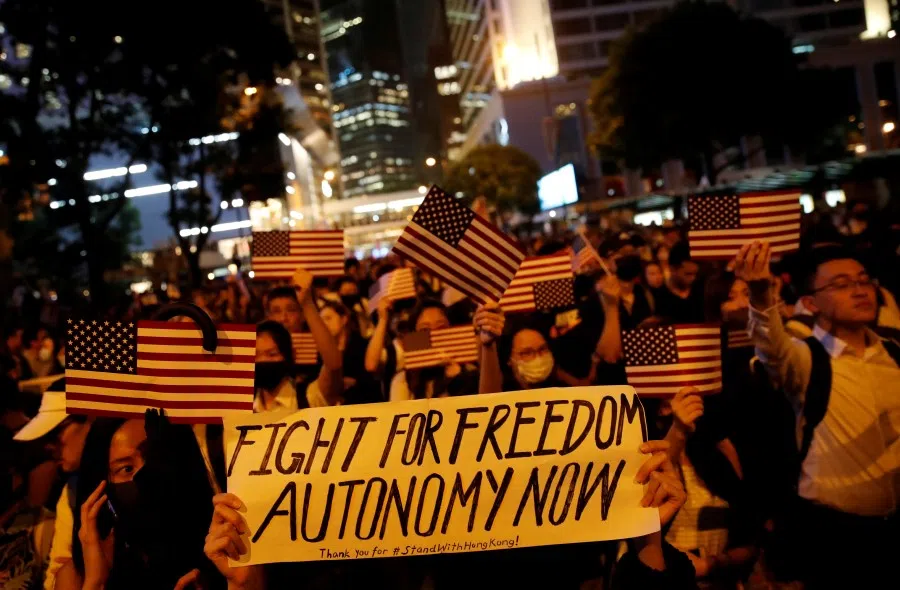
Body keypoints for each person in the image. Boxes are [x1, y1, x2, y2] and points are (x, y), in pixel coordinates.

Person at [735, 240, 900, 588]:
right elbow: (772, 348)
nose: (859, 291)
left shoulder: (894, 355)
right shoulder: (807, 359)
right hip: (831, 534)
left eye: (863, 280)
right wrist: (761, 293)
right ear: (810, 303)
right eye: (840, 285)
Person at [71, 414, 220, 589]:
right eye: (126, 469)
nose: (146, 477)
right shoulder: (76, 576)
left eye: (155, 460)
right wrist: (96, 582)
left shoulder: (220, 551)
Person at [13, 382, 94, 590]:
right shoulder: (71, 493)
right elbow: (56, 573)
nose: (49, 446)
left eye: (56, 432)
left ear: (90, 420)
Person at [264, 269, 343, 404]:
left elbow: (333, 366)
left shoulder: (317, 352)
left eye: (291, 310)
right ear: (268, 316)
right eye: (276, 311)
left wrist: (306, 303)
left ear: (302, 315)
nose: (284, 318)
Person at [319, 301, 380, 404]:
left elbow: (369, 377)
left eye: (328, 318)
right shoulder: (321, 351)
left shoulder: (361, 345)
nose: (324, 324)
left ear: (343, 319)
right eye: (322, 321)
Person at [656, 241, 705, 324]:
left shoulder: (700, 290)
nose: (693, 278)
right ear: (672, 269)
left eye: (695, 274)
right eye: (688, 274)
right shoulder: (659, 296)